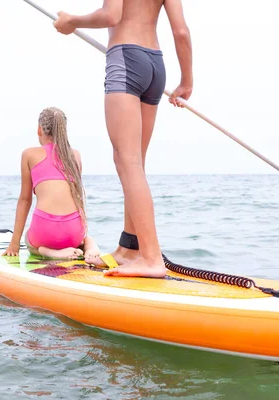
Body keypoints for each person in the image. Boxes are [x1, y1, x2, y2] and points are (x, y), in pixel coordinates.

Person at [53, 0, 193, 277]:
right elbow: (181, 33)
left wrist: (72, 22)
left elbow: (111, 15)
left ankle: (151, 258)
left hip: (127, 58)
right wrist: (186, 81)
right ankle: (129, 248)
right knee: (136, 164)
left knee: (126, 162)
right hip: (155, 64)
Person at [2, 107, 100, 260]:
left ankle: (50, 252)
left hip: (44, 232)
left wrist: (14, 245)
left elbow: (25, 199)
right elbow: (77, 196)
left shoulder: (29, 154)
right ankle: (90, 244)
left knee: (29, 240)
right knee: (84, 238)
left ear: (39, 130)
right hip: (73, 234)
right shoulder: (75, 155)